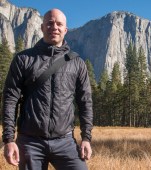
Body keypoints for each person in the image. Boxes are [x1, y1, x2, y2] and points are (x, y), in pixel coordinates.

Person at [2, 8, 93, 170]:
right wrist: (9, 139)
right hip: (30, 143)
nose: (54, 27)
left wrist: (86, 138)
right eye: (50, 23)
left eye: (59, 24)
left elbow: (85, 102)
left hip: (65, 142)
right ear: (42, 27)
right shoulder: (23, 59)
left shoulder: (77, 63)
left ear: (65, 30)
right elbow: (10, 99)